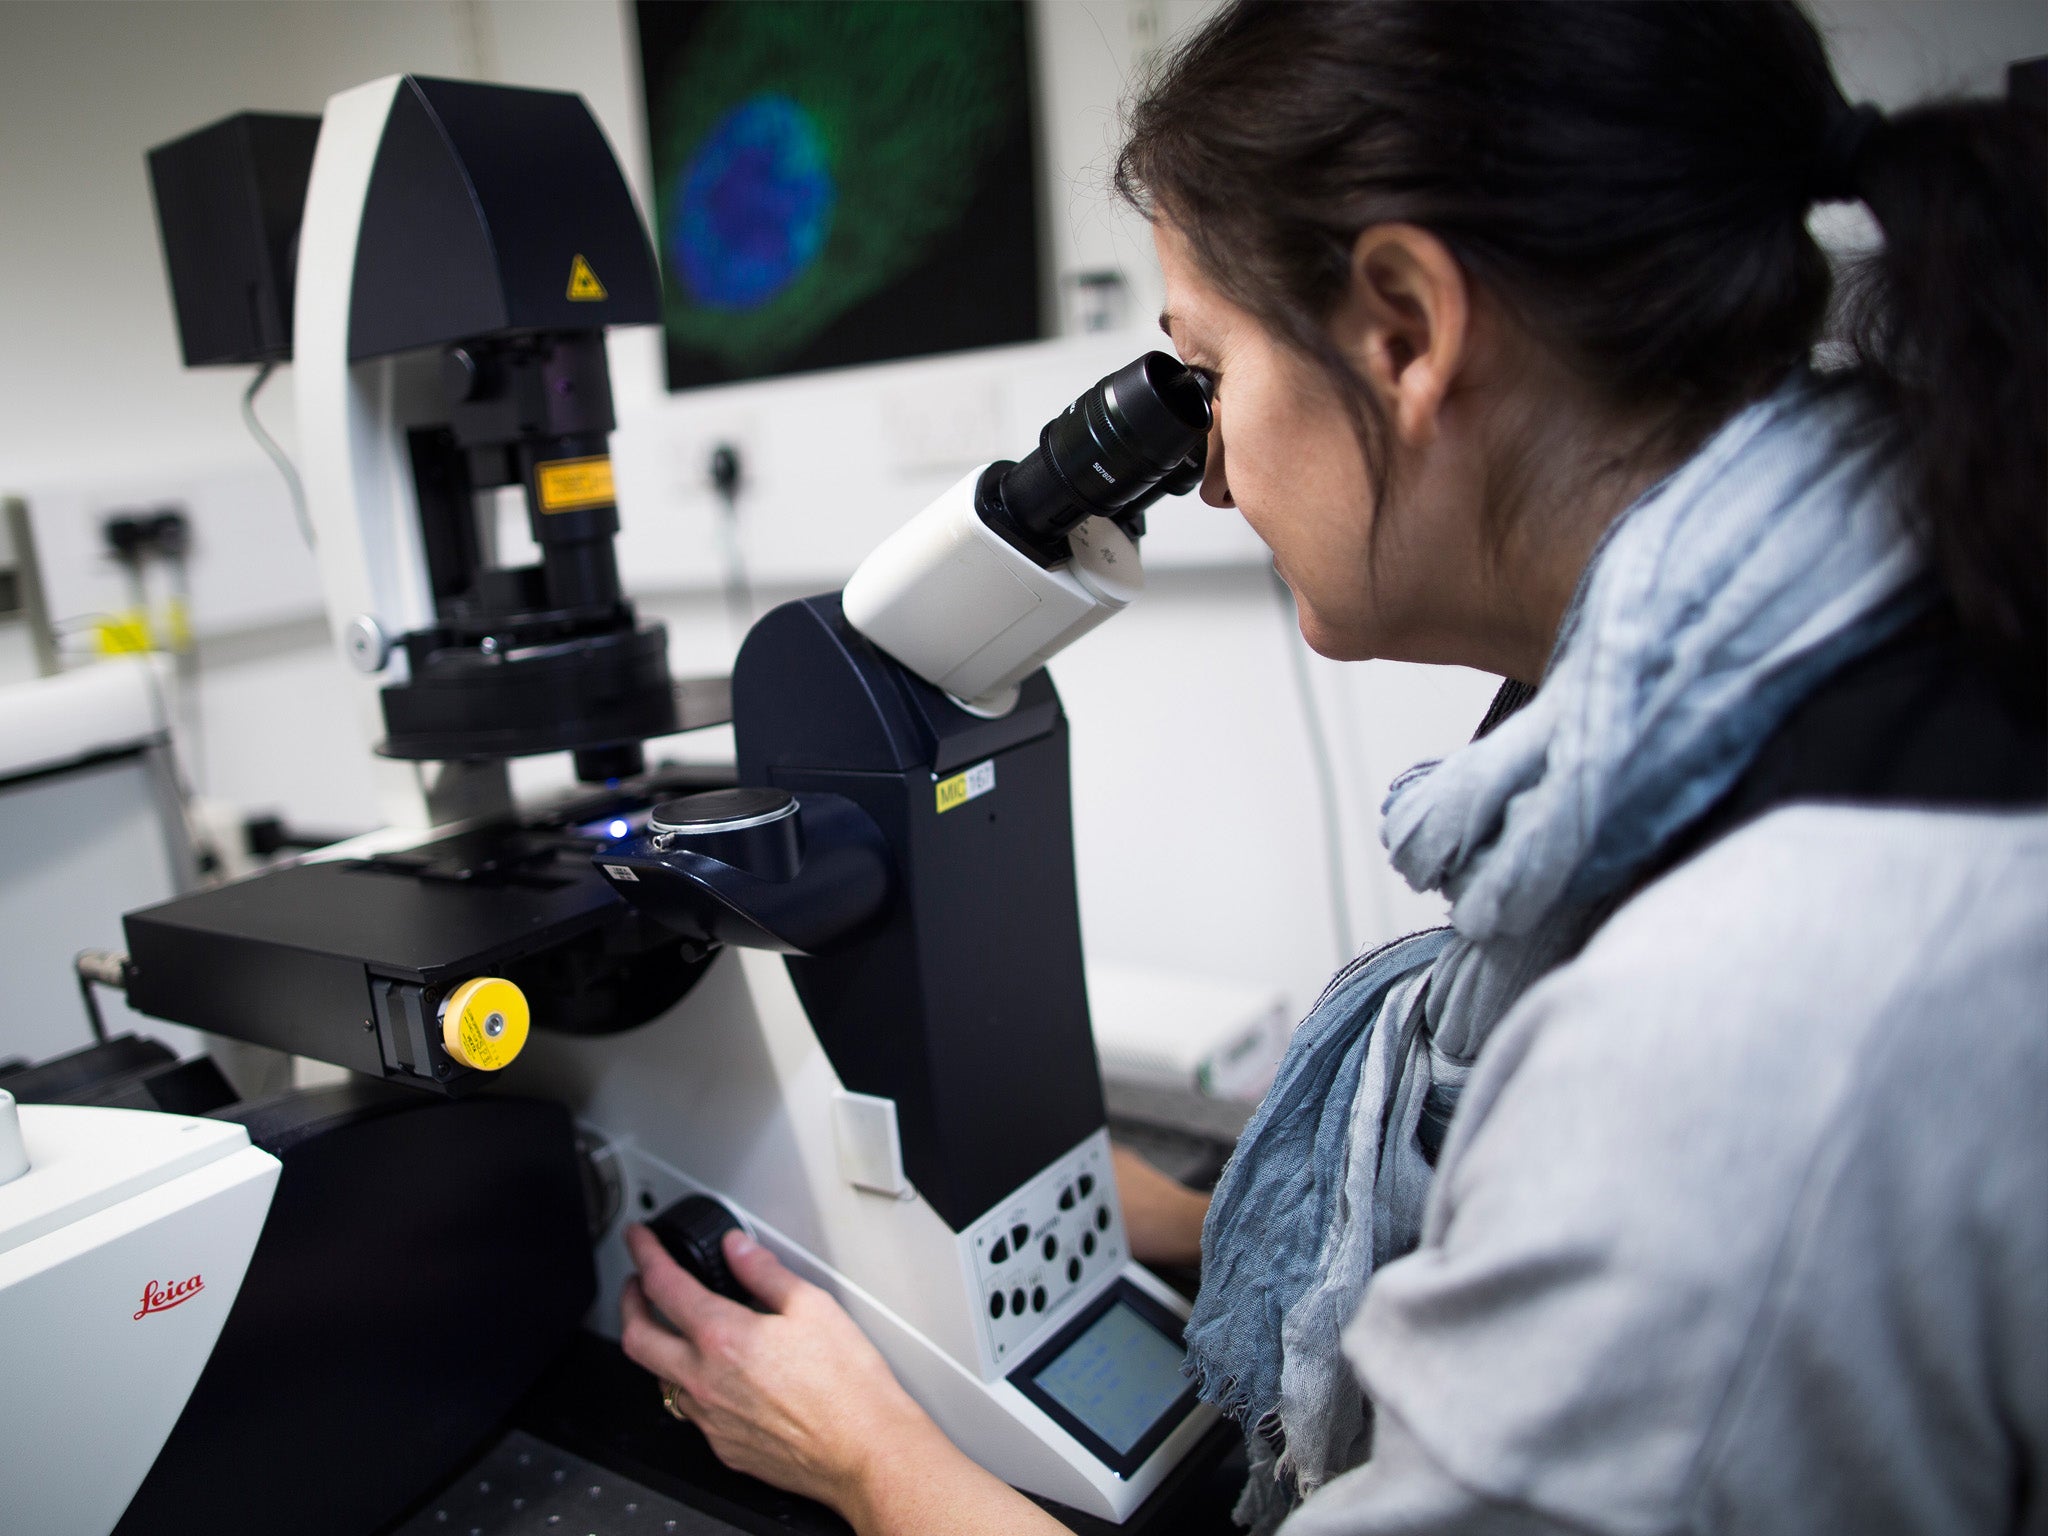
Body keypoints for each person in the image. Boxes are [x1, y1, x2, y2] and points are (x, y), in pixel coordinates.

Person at [617, 3, 2048, 1531]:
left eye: (1209, 371)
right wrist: (1205, 1217)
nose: (1210, 470)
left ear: (1405, 332)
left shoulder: (1738, 1029)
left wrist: (866, 1457)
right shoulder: (1851, 651)